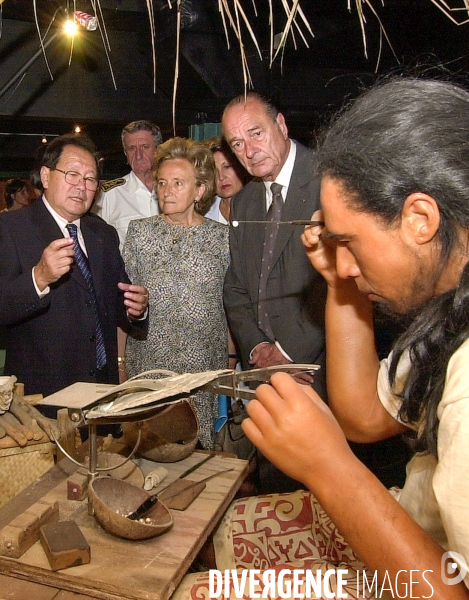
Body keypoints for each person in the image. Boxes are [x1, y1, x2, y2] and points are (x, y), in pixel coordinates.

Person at [174, 78, 469, 599]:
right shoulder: (446, 321)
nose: (344, 263)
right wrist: (338, 284)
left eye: (347, 241)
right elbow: (363, 415)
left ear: (420, 219)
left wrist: (330, 469)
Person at [0, 134, 149, 406]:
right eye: (72, 174)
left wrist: (136, 309)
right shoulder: (10, 229)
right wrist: (39, 277)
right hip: (43, 398)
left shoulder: (103, 233)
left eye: (90, 179)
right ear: (46, 176)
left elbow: (117, 300)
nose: (82, 186)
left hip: (101, 393)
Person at [122, 137, 230, 450]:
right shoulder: (139, 232)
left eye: (178, 183)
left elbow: (231, 305)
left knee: (198, 462)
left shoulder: (222, 239)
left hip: (203, 371)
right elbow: (124, 303)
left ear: (200, 190)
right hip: (150, 366)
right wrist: (119, 364)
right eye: (162, 182)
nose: (166, 191)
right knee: (149, 456)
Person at [222, 92, 327, 396]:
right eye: (237, 144)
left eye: (256, 134)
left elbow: (337, 283)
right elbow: (236, 286)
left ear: (281, 125)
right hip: (262, 375)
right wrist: (257, 349)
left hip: (318, 373)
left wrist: (289, 352)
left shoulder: (329, 180)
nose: (250, 151)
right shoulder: (243, 201)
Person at [92, 120, 163, 250]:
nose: (138, 155)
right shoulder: (109, 195)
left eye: (145, 147)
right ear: (125, 153)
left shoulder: (173, 191)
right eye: (132, 148)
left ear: (158, 150)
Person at [203, 136, 249, 224]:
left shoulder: (262, 207)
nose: (221, 177)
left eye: (227, 167)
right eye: (215, 171)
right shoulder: (203, 214)